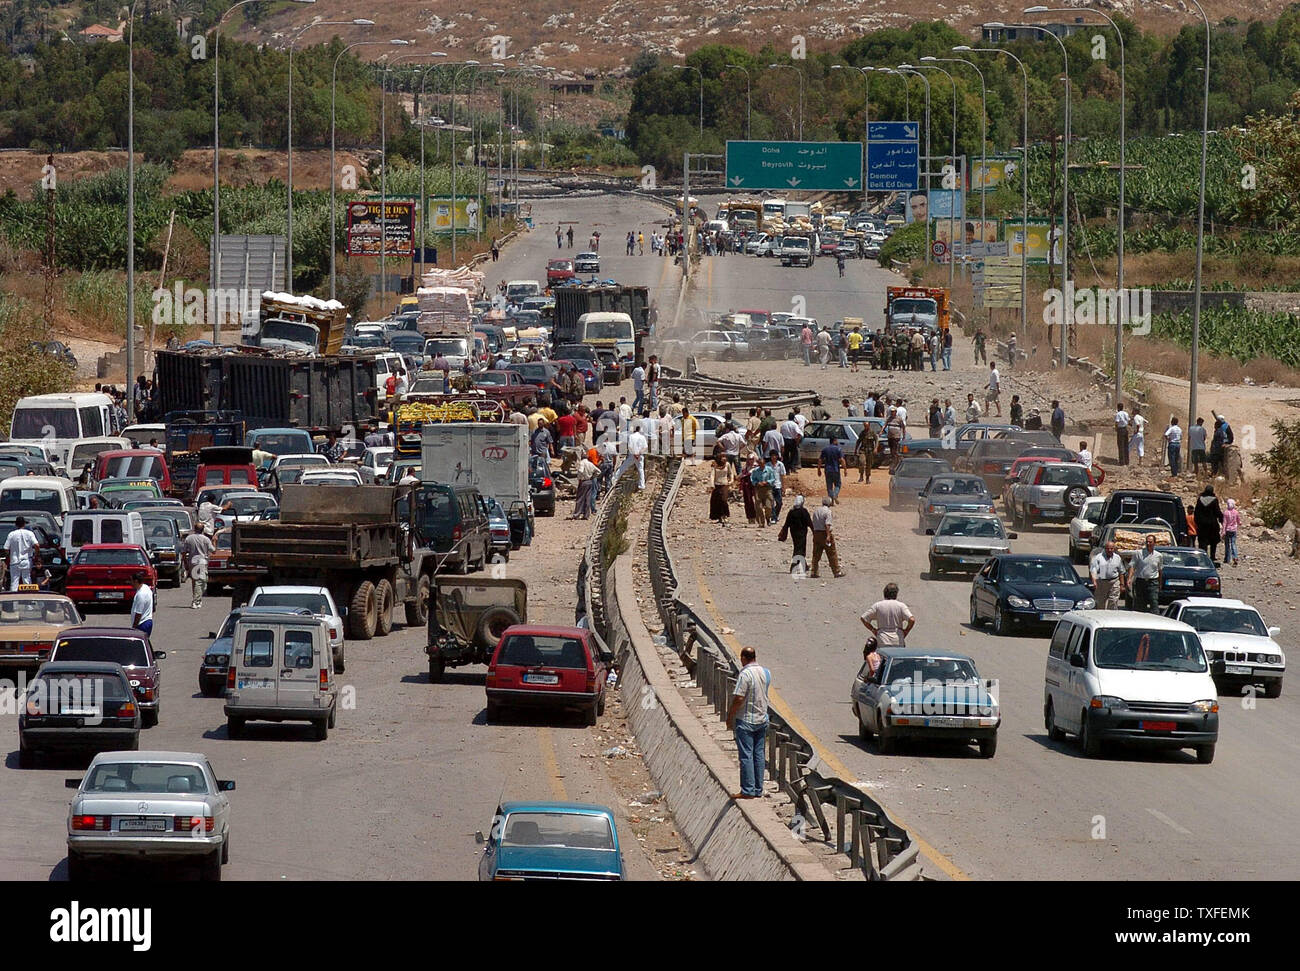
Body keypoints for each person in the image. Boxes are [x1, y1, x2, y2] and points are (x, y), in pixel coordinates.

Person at [726, 646, 771, 800]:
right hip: (762, 719)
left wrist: (730, 716)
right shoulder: (766, 673)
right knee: (758, 755)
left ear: (744, 658)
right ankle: (758, 789)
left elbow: (739, 698)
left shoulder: (745, 674)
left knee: (746, 756)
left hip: (746, 720)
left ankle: (747, 790)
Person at [860, 582, 915, 646]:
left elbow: (864, 618)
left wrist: (873, 630)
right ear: (896, 594)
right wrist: (906, 631)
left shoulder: (878, 605)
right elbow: (912, 620)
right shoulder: (901, 606)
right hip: (897, 639)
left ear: (884, 593)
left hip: (882, 639)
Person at [1127, 533, 1163, 613]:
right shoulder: (1138, 553)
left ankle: (1156, 619)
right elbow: (1132, 566)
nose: (1148, 544)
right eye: (1147, 542)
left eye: (1150, 542)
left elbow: (1160, 570)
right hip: (1140, 581)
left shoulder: (1159, 555)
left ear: (1154, 543)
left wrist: (1160, 583)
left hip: (1153, 582)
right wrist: (1129, 578)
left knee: (1154, 601)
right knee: (1140, 603)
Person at [809, 497, 845, 578]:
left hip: (816, 533)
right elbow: (827, 524)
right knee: (832, 553)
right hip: (825, 534)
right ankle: (836, 571)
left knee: (816, 554)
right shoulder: (828, 512)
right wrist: (828, 536)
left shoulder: (816, 511)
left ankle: (814, 572)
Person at [181, 524, 215, 609]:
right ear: (203, 530)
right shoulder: (205, 539)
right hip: (201, 561)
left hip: (192, 561)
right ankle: (196, 601)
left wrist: (185, 563)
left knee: (195, 581)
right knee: (201, 581)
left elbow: (184, 552)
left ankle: (197, 599)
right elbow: (213, 550)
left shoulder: (189, 538)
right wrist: (214, 541)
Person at [4, 516, 38, 590]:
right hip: (26, 560)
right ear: (24, 524)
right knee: (27, 580)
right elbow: (36, 545)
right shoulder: (29, 533)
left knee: (14, 582)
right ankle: (28, 598)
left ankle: (14, 599)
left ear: (16, 524)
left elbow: (6, 548)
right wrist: (36, 555)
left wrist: (8, 556)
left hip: (14, 561)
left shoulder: (12, 534)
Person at [1090, 540, 1125, 610]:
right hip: (1102, 582)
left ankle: (1111, 617)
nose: (1109, 550)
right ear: (1105, 548)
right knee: (1100, 603)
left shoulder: (1117, 558)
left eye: (1111, 548)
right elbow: (1093, 571)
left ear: (1114, 549)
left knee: (1113, 601)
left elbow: (1121, 571)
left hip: (1114, 581)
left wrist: (1122, 584)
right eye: (1107, 548)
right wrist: (1094, 582)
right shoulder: (1098, 557)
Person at [1194, 485, 1224, 563]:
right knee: (1213, 542)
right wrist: (1221, 519)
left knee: (1202, 542)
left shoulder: (1200, 499)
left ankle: (1203, 557)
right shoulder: (1214, 500)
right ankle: (1212, 556)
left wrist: (1197, 523)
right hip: (1212, 525)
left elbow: (1197, 512)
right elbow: (1217, 511)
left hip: (1202, 525)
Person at [572, 454, 600, 520]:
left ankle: (577, 514)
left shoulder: (582, 463)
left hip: (583, 482)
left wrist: (579, 478)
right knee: (588, 498)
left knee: (580, 498)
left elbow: (580, 471)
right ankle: (586, 515)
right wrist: (593, 476)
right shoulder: (590, 464)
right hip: (590, 481)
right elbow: (598, 471)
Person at [751, 454, 775, 526]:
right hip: (758, 489)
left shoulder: (769, 470)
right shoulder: (755, 471)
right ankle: (761, 522)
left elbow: (773, 478)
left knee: (769, 506)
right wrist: (757, 483)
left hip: (767, 489)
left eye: (763, 464)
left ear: (764, 463)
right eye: (760, 464)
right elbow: (752, 479)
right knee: (759, 507)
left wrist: (767, 482)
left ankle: (768, 518)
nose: (761, 465)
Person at [709, 453, 733, 524]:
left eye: (725, 457)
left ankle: (725, 515)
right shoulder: (715, 465)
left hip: (725, 485)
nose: (724, 458)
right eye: (722, 457)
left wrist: (731, 480)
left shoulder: (727, 464)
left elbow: (730, 473)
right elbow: (712, 475)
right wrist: (712, 484)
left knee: (723, 500)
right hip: (717, 485)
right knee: (716, 501)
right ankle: (718, 517)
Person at [818, 436, 844, 504]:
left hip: (827, 470)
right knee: (838, 485)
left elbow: (820, 460)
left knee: (829, 486)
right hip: (836, 470)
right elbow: (842, 460)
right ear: (834, 441)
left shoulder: (825, 449)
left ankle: (832, 501)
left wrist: (819, 469)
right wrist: (845, 469)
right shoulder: (838, 449)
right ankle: (835, 495)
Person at [624, 424, 648, 490]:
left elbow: (629, 447)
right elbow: (645, 447)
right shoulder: (642, 437)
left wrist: (635, 454)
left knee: (623, 467)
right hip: (640, 456)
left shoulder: (631, 436)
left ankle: (615, 479)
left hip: (632, 455)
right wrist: (639, 453)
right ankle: (642, 485)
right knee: (641, 470)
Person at [1223, 497, 1241, 567]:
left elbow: (1224, 523)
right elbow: (1238, 520)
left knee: (1227, 545)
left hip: (1227, 530)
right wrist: (1239, 523)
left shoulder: (1226, 512)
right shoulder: (1236, 512)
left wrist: (1223, 532)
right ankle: (1235, 557)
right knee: (1233, 543)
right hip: (1234, 530)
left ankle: (1227, 558)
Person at [769, 451, 786, 523]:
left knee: (779, 503)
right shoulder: (767, 465)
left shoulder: (780, 465)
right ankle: (773, 518)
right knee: (771, 503)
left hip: (778, 485)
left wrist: (783, 487)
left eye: (775, 456)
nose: (773, 457)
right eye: (772, 456)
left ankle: (775, 515)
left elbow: (782, 476)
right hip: (770, 486)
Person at [1114, 402, 1131, 467]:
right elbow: (1129, 421)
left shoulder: (1118, 414)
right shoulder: (1126, 413)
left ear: (1118, 408)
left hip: (1120, 430)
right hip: (1125, 429)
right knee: (1126, 445)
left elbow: (1117, 422)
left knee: (1120, 445)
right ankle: (1127, 461)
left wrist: (1116, 428)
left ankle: (1122, 462)